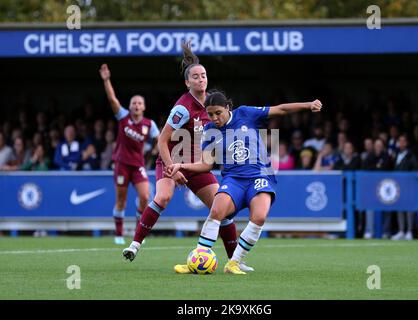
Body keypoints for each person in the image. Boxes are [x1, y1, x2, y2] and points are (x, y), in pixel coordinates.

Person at [123, 43, 253, 273]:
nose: (201, 79)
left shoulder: (212, 104)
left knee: (222, 208)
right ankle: (134, 245)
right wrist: (174, 169)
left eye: (203, 75)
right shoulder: (182, 108)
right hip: (171, 159)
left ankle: (235, 261)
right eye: (195, 76)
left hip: (196, 164)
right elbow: (162, 141)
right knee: (162, 198)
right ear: (187, 83)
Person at [166, 91, 322, 274]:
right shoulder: (209, 131)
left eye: (218, 113)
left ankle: (234, 262)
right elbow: (206, 165)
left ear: (227, 108)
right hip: (233, 180)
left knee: (259, 216)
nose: (214, 118)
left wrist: (308, 104)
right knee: (217, 210)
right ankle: (196, 261)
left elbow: (280, 110)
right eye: (210, 114)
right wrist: (181, 166)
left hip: (259, 177)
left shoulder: (246, 113)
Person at [99, 63, 160, 245]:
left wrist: (154, 151)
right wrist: (107, 80)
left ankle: (137, 231)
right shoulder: (123, 117)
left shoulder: (150, 124)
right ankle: (118, 234)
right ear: (130, 106)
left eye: (139, 103)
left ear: (144, 107)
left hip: (138, 165)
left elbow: (160, 139)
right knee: (121, 200)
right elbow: (112, 99)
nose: (136, 105)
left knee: (144, 197)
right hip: (121, 164)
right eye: (134, 103)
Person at [391, 134, 418, 241]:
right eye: (400, 141)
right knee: (399, 208)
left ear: (406, 143)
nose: (401, 143)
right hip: (398, 186)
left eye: (403, 141)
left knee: (409, 209)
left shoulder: (411, 155)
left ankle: (409, 231)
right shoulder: (396, 154)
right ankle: (401, 231)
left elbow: (415, 168)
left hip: (408, 185)